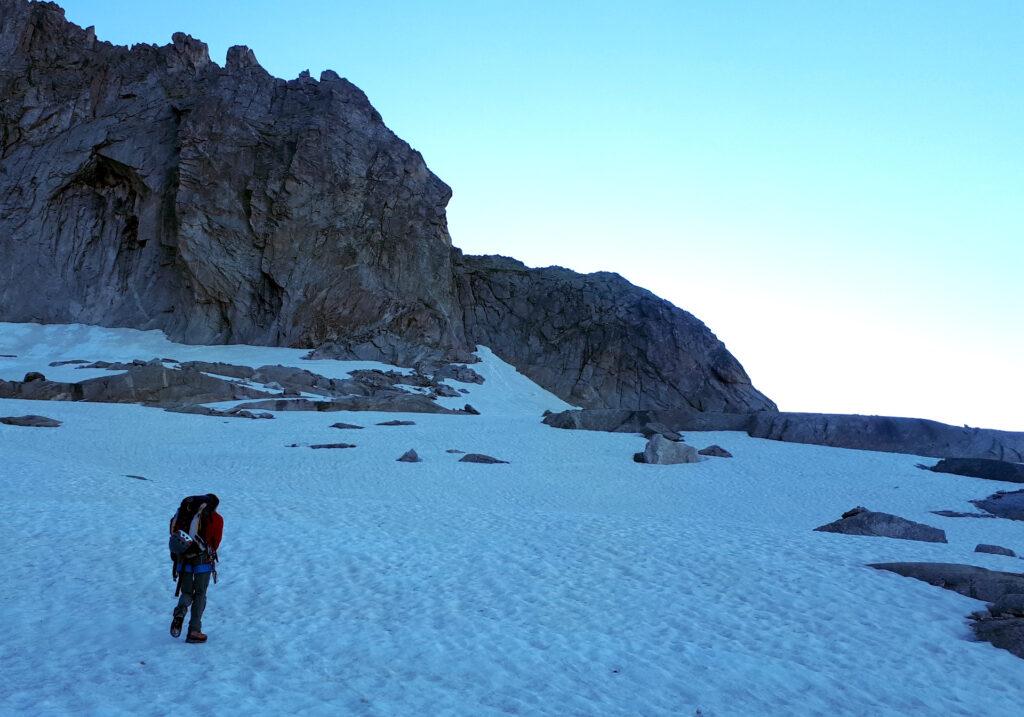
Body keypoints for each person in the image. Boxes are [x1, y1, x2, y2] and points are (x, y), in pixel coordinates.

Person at [169, 494, 223, 643]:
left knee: (186, 592)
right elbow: (215, 543)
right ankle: (194, 630)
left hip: (183, 558)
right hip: (203, 560)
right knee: (200, 594)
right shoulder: (217, 519)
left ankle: (180, 613)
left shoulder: (185, 513)